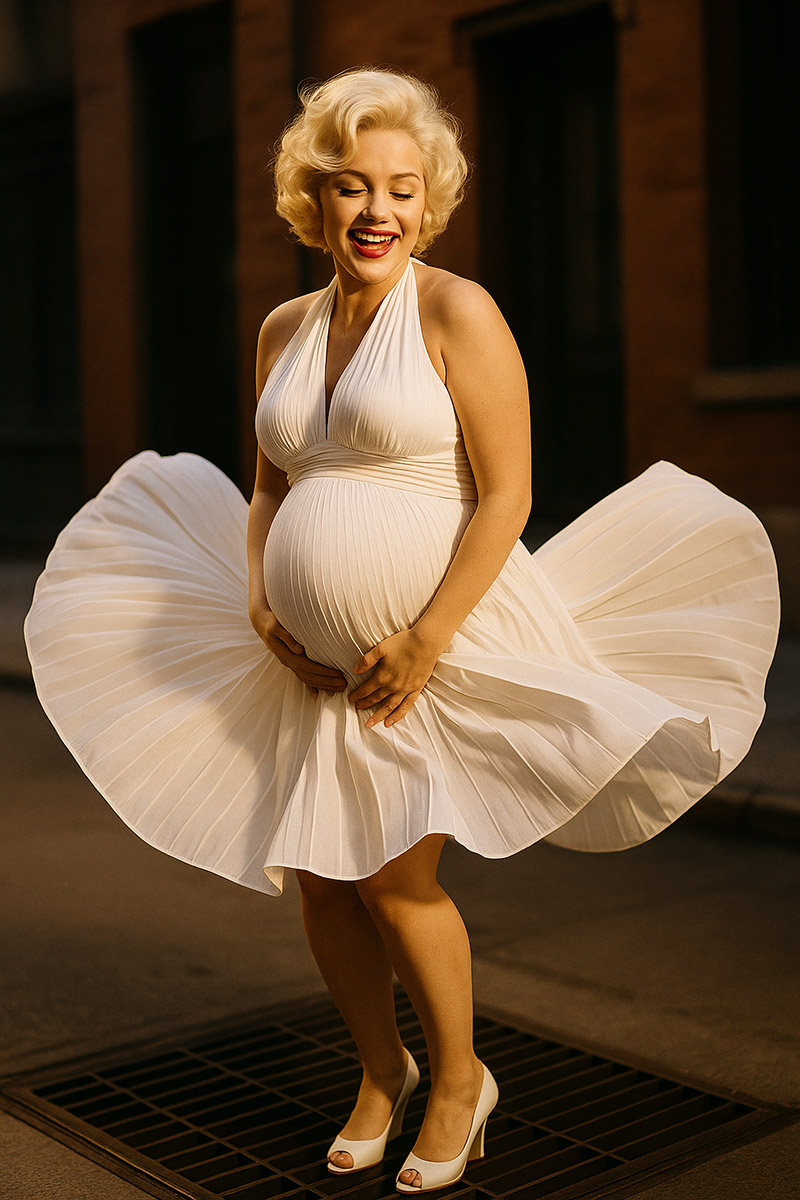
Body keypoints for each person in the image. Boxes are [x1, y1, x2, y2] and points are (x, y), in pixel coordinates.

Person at [25, 67, 779, 1193]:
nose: (377, 209)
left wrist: (425, 637)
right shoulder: (284, 325)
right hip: (306, 664)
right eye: (349, 187)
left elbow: (507, 495)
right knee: (322, 882)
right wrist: (261, 600)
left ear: (428, 206)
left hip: (427, 652)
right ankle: (382, 1071)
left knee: (392, 881)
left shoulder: (455, 312)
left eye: (401, 189)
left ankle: (463, 1078)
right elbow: (271, 486)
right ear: (312, 201)